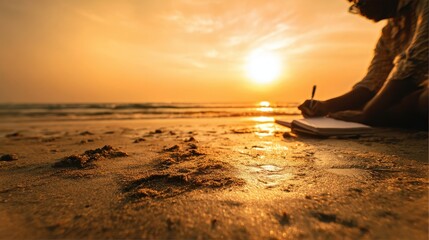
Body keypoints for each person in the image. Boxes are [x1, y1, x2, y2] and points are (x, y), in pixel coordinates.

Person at [298, 0, 428, 129]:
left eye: (358, 1)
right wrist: (327, 106)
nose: (359, 9)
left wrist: (368, 113)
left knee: (423, 100)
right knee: (380, 102)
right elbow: (373, 81)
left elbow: (415, 62)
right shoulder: (388, 33)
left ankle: (388, 116)